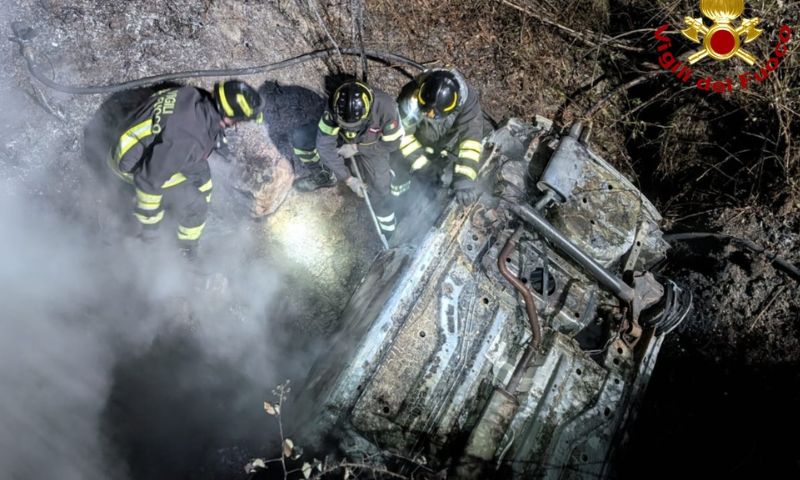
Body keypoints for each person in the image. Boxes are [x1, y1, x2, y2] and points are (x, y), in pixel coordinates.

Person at [88, 80, 264, 258]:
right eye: (238, 121)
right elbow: (148, 181)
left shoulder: (194, 95)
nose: (237, 124)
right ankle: (186, 249)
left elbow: (184, 136)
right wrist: (150, 228)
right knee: (197, 204)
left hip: (142, 142)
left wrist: (215, 138)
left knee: (203, 178)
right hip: (130, 165)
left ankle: (187, 219)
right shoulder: (188, 139)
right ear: (229, 117)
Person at [292, 80, 404, 238]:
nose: (352, 131)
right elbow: (324, 145)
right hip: (341, 136)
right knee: (301, 139)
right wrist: (349, 179)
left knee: (380, 186)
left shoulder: (385, 106)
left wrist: (358, 148)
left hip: (371, 144)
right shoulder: (335, 106)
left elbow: (393, 143)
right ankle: (324, 174)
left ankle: (388, 230)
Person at [390, 68, 490, 206]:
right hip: (419, 143)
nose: (430, 115)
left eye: (435, 113)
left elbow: (471, 142)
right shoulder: (412, 96)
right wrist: (425, 168)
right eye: (427, 110)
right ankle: (397, 202)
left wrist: (464, 180)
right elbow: (403, 137)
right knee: (398, 163)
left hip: (445, 142)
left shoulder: (467, 102)